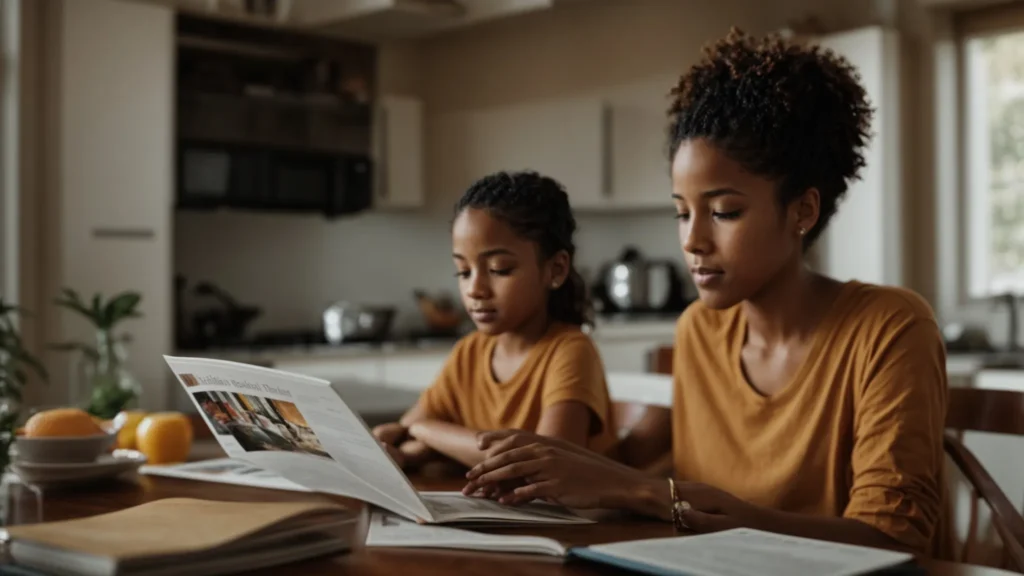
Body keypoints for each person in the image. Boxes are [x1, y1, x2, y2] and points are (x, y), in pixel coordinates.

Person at [460, 28, 951, 559]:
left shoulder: (890, 328)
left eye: (724, 212)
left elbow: (893, 541)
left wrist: (648, 492)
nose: (692, 241)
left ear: (802, 211)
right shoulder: (700, 328)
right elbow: (656, 482)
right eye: (681, 212)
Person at [372, 171, 618, 470]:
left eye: (499, 269)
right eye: (463, 272)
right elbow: (403, 431)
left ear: (555, 269)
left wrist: (426, 431)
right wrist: (413, 449)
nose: (475, 289)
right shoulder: (469, 353)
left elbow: (545, 465)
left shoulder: (570, 352)